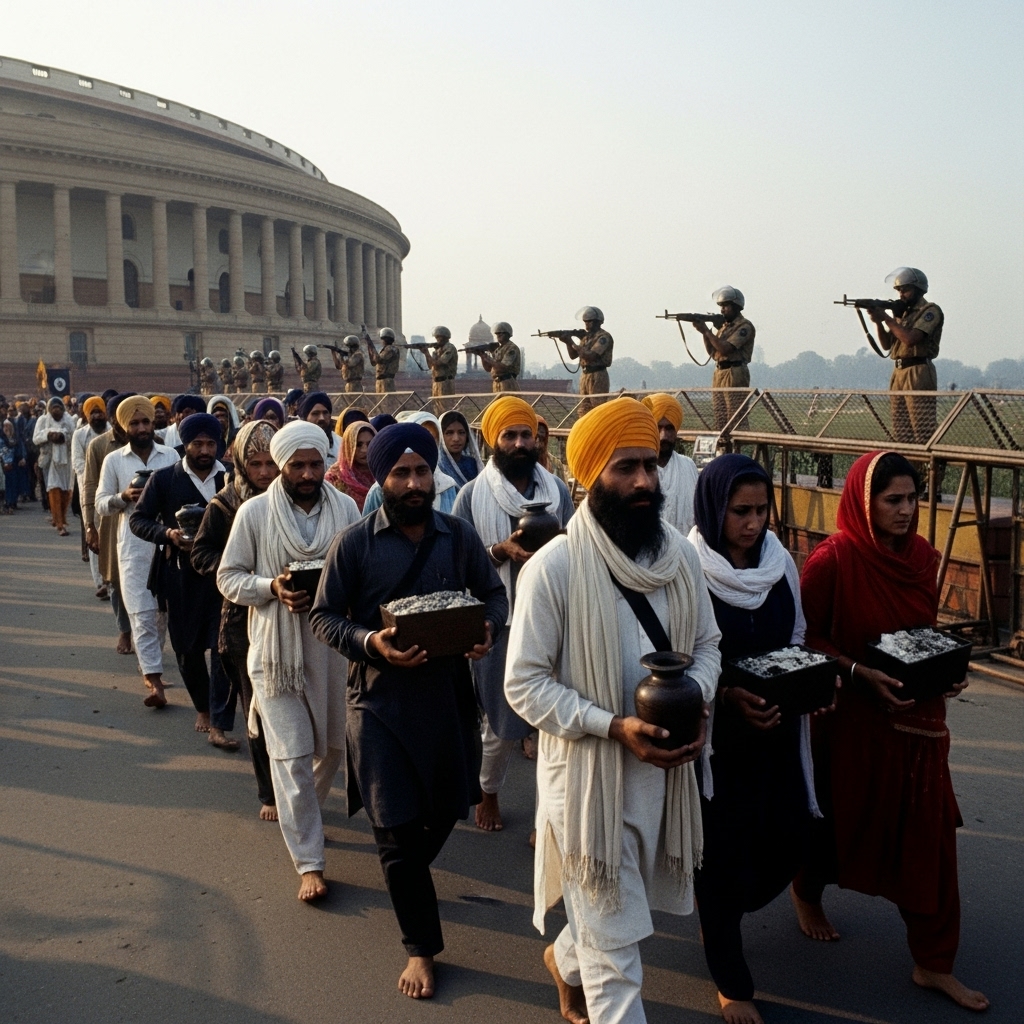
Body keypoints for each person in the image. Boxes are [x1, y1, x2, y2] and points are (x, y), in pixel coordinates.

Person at [504, 396, 722, 1024]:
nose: (644, 482)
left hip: (663, 777)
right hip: (588, 785)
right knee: (619, 962)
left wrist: (700, 696)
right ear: (588, 475)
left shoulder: (681, 558)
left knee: (624, 917)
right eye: (625, 468)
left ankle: (568, 955)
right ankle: (589, 964)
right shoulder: (556, 568)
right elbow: (524, 684)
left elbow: (707, 644)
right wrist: (611, 726)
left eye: (650, 467)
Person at [309, 422, 508, 1000]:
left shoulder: (458, 537)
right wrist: (374, 643)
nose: (415, 482)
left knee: (447, 807)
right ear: (381, 477)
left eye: (423, 471)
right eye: (402, 472)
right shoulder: (354, 543)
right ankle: (421, 947)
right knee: (394, 830)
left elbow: (492, 594)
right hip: (379, 704)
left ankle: (407, 878)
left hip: (448, 699)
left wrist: (487, 629)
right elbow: (325, 617)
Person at [793, 450, 988, 1013]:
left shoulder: (922, 556)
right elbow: (805, 639)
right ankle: (806, 893)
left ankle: (934, 962)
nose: (906, 511)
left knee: (930, 840)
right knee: (834, 820)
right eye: (893, 500)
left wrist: (946, 669)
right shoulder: (833, 560)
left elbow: (918, 635)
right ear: (863, 502)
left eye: (913, 499)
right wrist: (856, 673)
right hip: (851, 723)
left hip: (919, 722)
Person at [688, 454, 826, 1024]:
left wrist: (803, 683)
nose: (752, 523)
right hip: (721, 745)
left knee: (791, 839)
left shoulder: (780, 564)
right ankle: (731, 979)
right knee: (721, 860)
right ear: (714, 509)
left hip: (778, 732)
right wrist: (725, 696)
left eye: (761, 510)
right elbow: (685, 652)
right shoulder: (688, 568)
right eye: (739, 511)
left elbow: (795, 634)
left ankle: (723, 914)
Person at [217, 421, 360, 901]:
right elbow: (229, 577)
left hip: (333, 648)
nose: (306, 473)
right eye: (296, 465)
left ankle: (308, 817)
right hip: (276, 650)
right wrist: (271, 589)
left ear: (325, 463)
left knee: (335, 751)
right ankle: (309, 862)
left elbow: (361, 571)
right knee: (294, 755)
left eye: (315, 463)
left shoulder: (347, 508)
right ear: (280, 465)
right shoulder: (254, 514)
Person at [452, 396, 574, 831]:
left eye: (527, 435)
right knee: (500, 728)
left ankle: (548, 818)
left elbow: (575, 545)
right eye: (511, 435)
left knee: (552, 728)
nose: (521, 443)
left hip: (551, 618)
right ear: (493, 441)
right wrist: (498, 552)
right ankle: (489, 795)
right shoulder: (470, 496)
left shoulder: (556, 490)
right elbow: (455, 562)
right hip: (497, 623)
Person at [129, 413, 236, 748]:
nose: (205, 450)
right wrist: (168, 534)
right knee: (188, 649)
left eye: (211, 443)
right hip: (180, 576)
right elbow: (139, 520)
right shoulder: (164, 479)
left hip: (222, 573)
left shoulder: (230, 478)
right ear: (185, 445)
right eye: (197, 444)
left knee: (222, 649)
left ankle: (219, 721)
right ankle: (202, 706)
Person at [192, 421, 281, 817]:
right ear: (242, 464)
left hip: (290, 614)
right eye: (256, 463)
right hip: (242, 622)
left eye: (271, 463)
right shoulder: (225, 505)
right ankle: (270, 794)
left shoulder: (291, 501)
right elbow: (201, 555)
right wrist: (240, 573)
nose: (264, 472)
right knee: (258, 712)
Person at [96, 397, 179, 707]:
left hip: (168, 546)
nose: (142, 428)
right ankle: (154, 682)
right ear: (123, 426)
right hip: (132, 547)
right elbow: (101, 502)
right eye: (135, 423)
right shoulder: (115, 461)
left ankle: (151, 664)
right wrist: (123, 496)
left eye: (146, 422)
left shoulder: (170, 456)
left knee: (161, 615)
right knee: (141, 613)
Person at [84, 393, 135, 654]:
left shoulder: (155, 445)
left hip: (144, 524)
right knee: (115, 581)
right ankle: (125, 631)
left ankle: (145, 634)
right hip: (110, 524)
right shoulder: (98, 446)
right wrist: (90, 527)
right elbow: (90, 487)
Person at [868, 267, 943, 446]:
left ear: (918, 290)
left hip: (917, 372)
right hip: (899, 372)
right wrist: (879, 322)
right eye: (899, 290)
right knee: (901, 431)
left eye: (906, 290)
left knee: (922, 429)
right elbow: (887, 345)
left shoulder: (929, 311)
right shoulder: (902, 315)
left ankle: (928, 472)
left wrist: (887, 318)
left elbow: (910, 339)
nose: (901, 295)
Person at [692, 287, 755, 430]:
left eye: (726, 306)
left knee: (735, 417)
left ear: (736, 307)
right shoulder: (723, 327)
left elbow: (726, 349)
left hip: (734, 373)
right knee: (720, 416)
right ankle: (722, 446)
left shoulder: (744, 326)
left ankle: (737, 447)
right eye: (721, 306)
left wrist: (707, 331)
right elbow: (714, 353)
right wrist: (705, 333)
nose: (722, 310)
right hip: (720, 373)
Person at [642, 393, 699, 536]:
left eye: (669, 428)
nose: (664, 436)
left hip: (686, 552)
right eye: (658, 428)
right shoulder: (638, 470)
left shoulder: (688, 466)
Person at [72, 396, 109, 596]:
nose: (96, 416)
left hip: (112, 490)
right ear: (86, 415)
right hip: (89, 490)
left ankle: (110, 578)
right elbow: (78, 464)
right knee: (93, 534)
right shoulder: (79, 436)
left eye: (99, 412)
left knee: (110, 534)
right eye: (92, 413)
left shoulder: (113, 432)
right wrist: (95, 475)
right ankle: (100, 581)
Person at [33, 396, 76, 535]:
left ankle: (60, 517)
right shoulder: (43, 420)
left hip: (66, 461)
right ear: (49, 409)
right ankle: (59, 524)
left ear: (63, 409)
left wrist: (63, 436)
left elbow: (74, 436)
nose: (56, 410)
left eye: (59, 407)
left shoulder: (69, 420)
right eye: (54, 408)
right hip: (50, 461)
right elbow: (36, 438)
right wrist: (49, 435)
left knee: (66, 491)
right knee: (54, 489)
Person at [564, 305, 614, 412]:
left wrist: (573, 343)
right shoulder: (586, 338)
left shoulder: (603, 337)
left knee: (597, 407)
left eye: (589, 321)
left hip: (598, 375)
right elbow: (573, 356)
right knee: (584, 408)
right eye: (585, 322)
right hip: (585, 374)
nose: (587, 324)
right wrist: (568, 342)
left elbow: (591, 356)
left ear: (597, 322)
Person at [325, 420, 377, 511]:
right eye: (358, 445)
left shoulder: (383, 472)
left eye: (370, 444)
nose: (365, 450)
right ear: (348, 446)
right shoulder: (334, 477)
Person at [439, 410, 483, 489]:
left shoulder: (472, 464)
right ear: (441, 436)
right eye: (449, 433)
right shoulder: (438, 467)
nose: (456, 439)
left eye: (461, 432)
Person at [297, 391, 340, 462]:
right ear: (305, 417)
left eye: (325, 413)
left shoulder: (340, 444)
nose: (322, 418)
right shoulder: (295, 443)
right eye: (315, 413)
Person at [424, 326, 459, 410]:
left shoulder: (450, 348)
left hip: (445, 382)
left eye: (438, 337)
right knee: (437, 408)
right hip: (436, 382)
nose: (437, 340)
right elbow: (430, 365)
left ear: (444, 337)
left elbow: (438, 364)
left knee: (445, 408)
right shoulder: (438, 350)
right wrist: (427, 354)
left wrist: (426, 352)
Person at [480, 322, 521, 392]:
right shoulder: (498, 349)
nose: (498, 336)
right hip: (497, 383)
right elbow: (489, 368)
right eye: (497, 334)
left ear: (507, 334)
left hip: (507, 382)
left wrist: (489, 359)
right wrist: (482, 356)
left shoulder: (511, 348)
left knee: (508, 402)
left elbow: (502, 367)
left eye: (500, 333)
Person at [535, 417, 566, 483]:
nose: (537, 438)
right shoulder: (521, 463)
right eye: (534, 432)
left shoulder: (556, 464)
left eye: (541, 432)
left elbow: (564, 490)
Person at [369, 328, 400, 393]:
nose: (381, 341)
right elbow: (373, 362)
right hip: (381, 380)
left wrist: (372, 348)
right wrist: (370, 347)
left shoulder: (390, 349)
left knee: (386, 402)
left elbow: (379, 359)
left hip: (386, 380)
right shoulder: (386, 349)